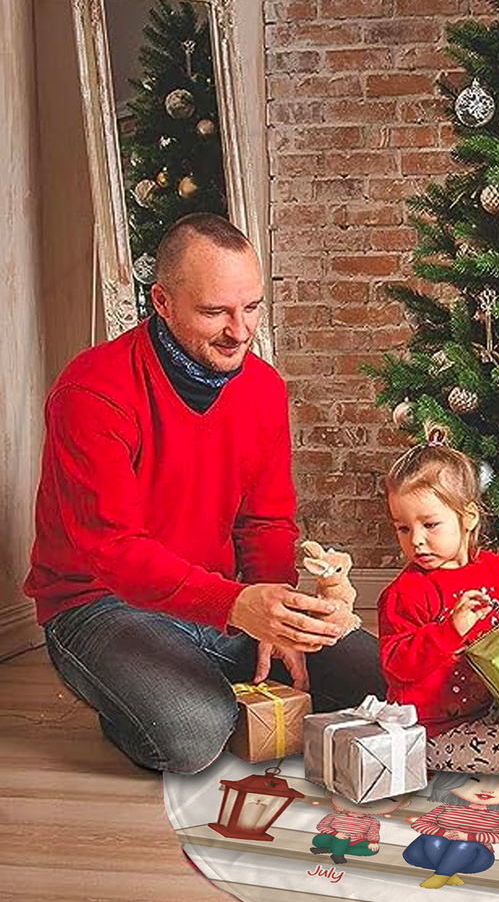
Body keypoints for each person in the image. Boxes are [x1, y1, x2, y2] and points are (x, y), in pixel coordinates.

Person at [25, 214, 383, 774]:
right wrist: (238, 608)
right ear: (162, 302)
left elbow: (265, 522)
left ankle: (193, 673)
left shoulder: (263, 389)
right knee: (195, 737)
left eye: (252, 307)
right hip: (96, 604)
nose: (240, 331)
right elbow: (113, 551)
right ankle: (134, 698)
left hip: (217, 598)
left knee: (379, 678)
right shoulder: (92, 392)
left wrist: (274, 612)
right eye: (215, 312)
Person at [378, 437, 499, 774]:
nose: (416, 540)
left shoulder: (493, 568)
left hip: (486, 706)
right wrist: (449, 630)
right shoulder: (406, 593)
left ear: (467, 518)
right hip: (430, 726)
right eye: (402, 529)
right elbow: (396, 664)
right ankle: (405, 753)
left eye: (429, 524)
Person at [402, 764, 499, 889]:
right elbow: (419, 824)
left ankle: (442, 874)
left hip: (473, 860)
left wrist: (469, 837)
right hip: (422, 856)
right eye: (474, 779)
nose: (487, 789)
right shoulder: (446, 808)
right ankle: (449, 871)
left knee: (465, 845)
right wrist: (442, 832)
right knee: (434, 839)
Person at [311, 789, 417, 865]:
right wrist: (336, 834)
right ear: (329, 793)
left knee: (372, 850)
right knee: (323, 840)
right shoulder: (334, 816)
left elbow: (372, 834)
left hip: (354, 842)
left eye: (384, 800)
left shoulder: (372, 822)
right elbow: (321, 826)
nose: (365, 802)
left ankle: (332, 850)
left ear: (402, 804)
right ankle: (337, 853)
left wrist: (373, 842)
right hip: (329, 838)